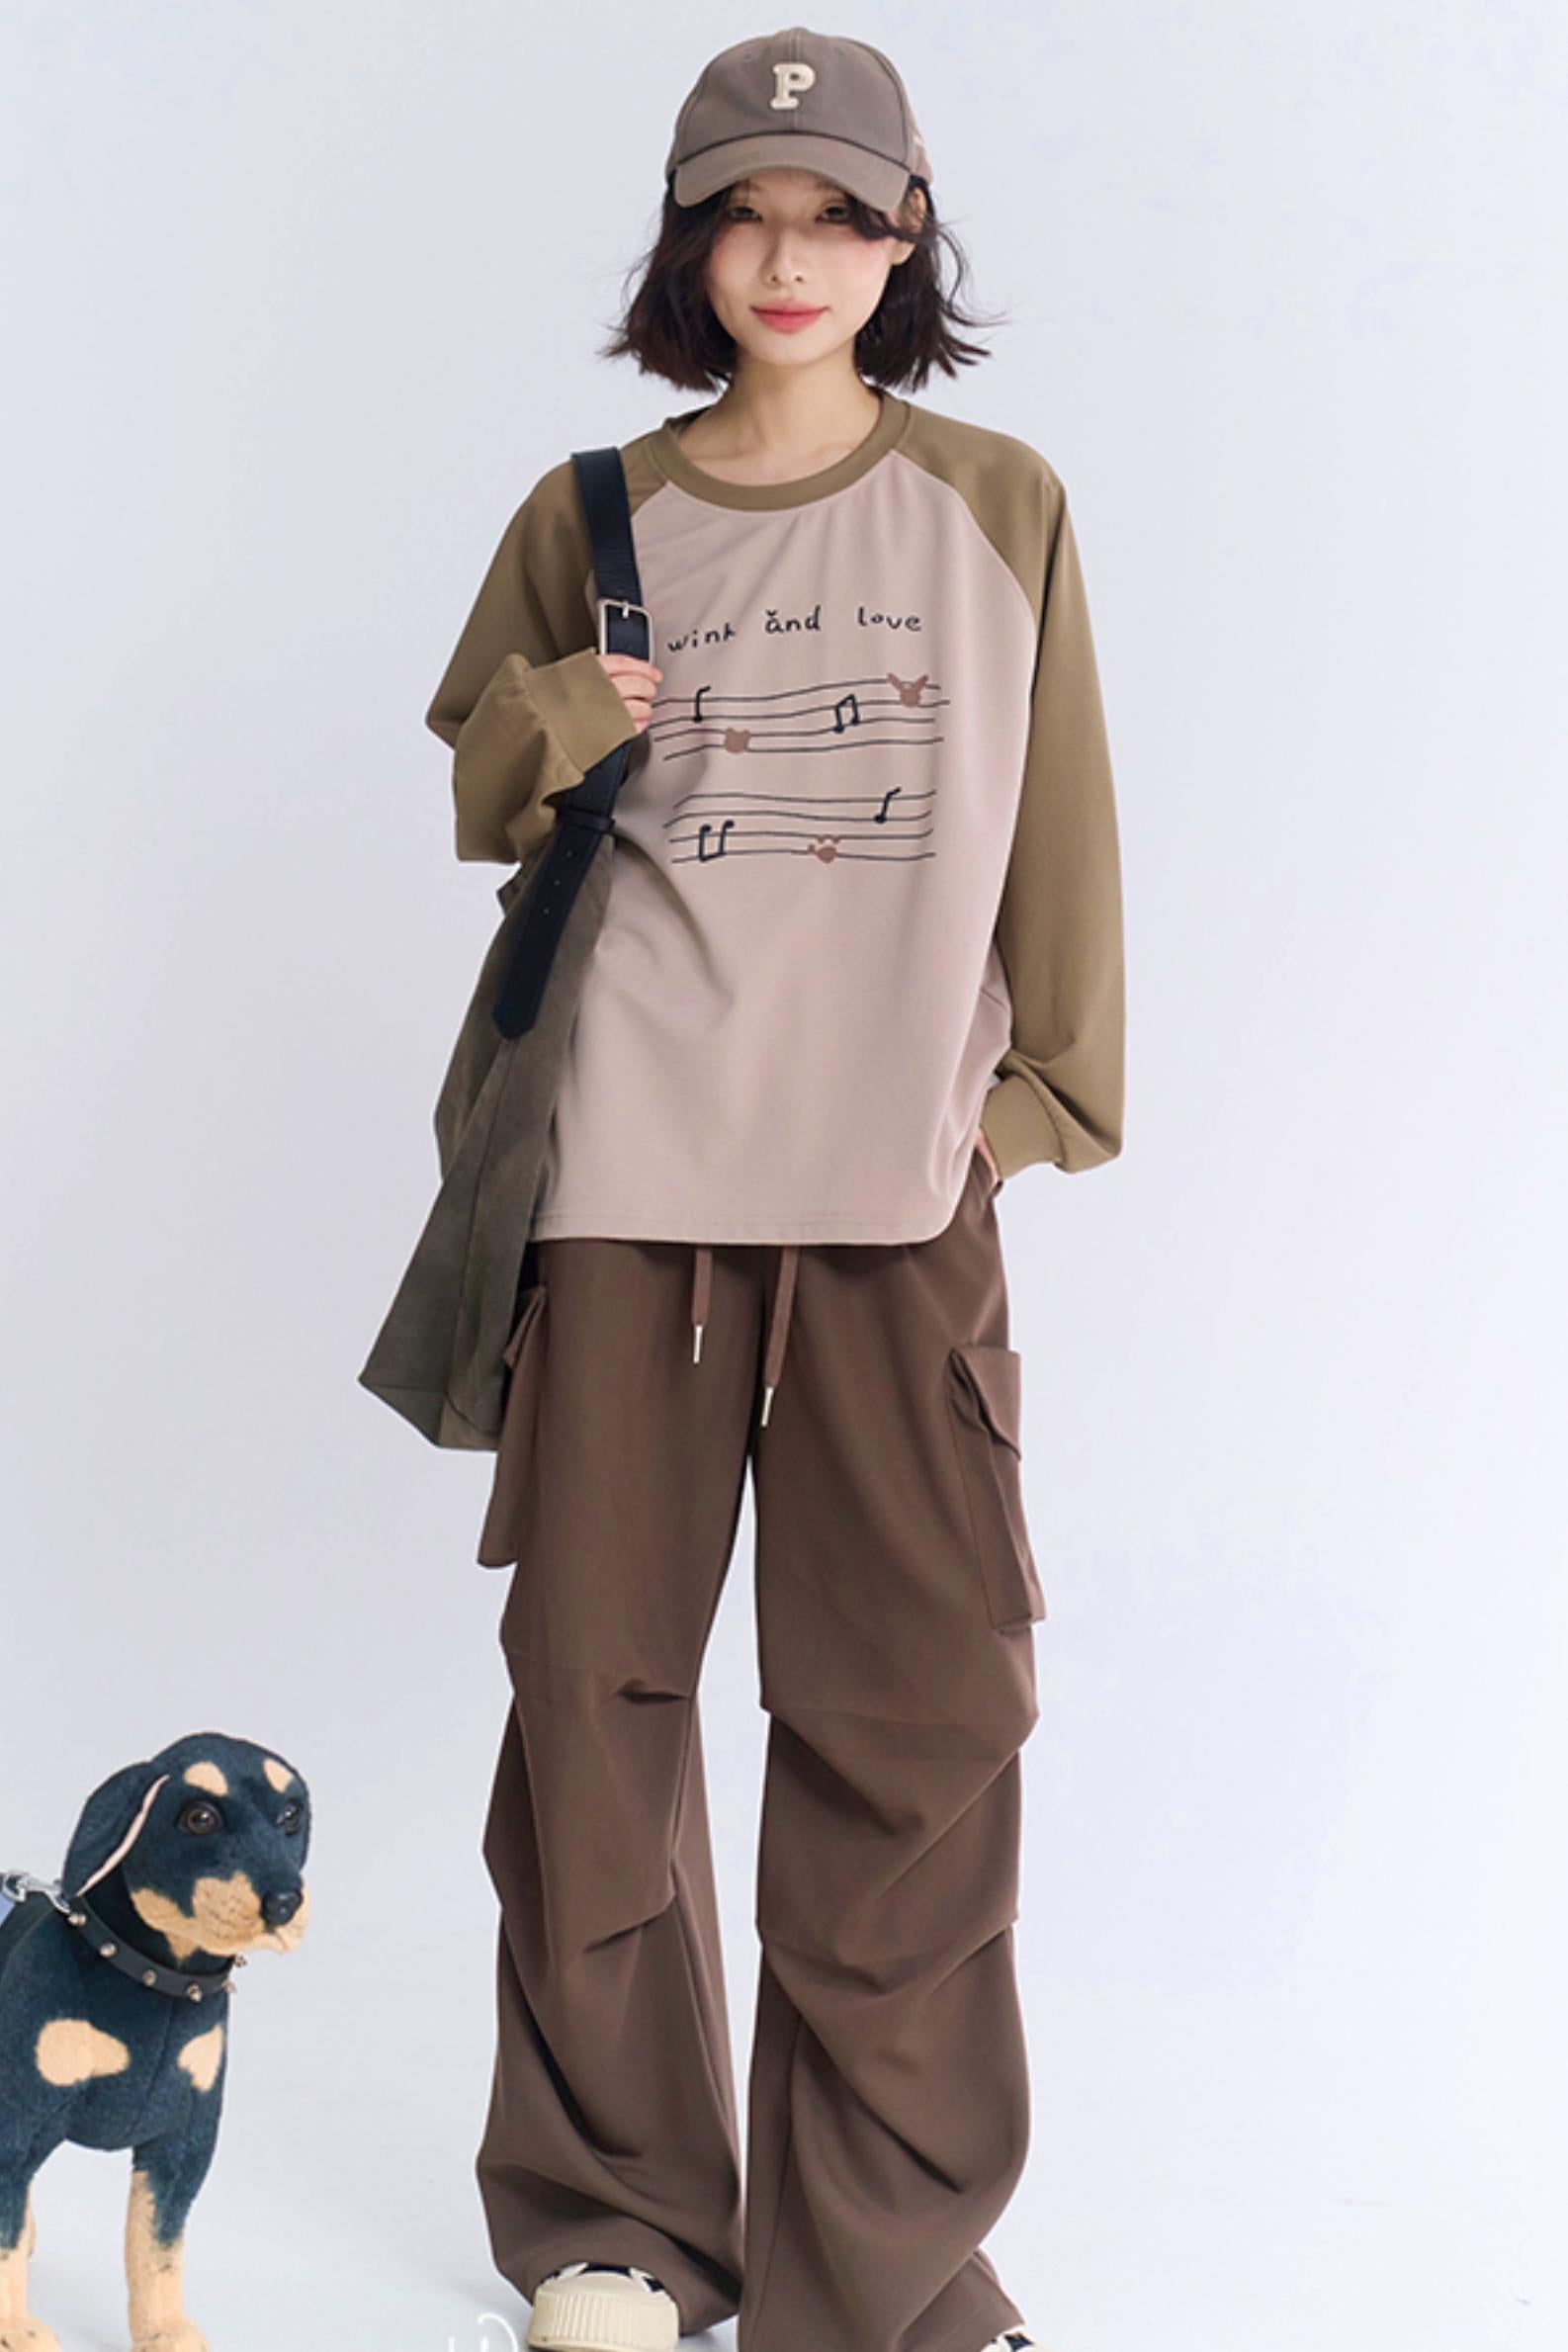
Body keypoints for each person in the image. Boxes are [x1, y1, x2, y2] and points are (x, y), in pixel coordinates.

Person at [423, 28, 1125, 2352]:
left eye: (836, 215)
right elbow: (479, 775)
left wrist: (1020, 1110)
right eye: (744, 212)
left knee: (917, 1720)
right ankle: (620, 2216)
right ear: (686, 242)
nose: (788, 258)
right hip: (622, 1179)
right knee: (592, 1706)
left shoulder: (997, 499)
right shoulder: (592, 507)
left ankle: (884, 2259)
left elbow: (1060, 826)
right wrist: (569, 723)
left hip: (894, 1200)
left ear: (905, 239)